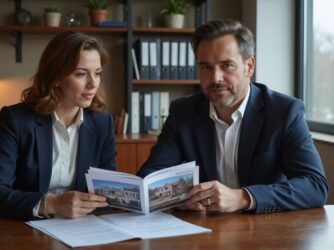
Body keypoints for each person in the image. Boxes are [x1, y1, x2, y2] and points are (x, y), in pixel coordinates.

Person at [137, 19, 329, 214]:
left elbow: (315, 186)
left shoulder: (284, 112)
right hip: (205, 233)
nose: (215, 78)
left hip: (265, 233)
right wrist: (179, 200)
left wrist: (243, 197)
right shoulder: (183, 112)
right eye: (206, 67)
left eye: (227, 66)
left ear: (249, 66)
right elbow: (149, 178)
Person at [0, 31, 116, 219]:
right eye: (81, 74)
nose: (93, 84)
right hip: (25, 229)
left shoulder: (103, 123)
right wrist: (51, 204)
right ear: (56, 78)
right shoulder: (16, 120)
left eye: (97, 73)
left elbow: (106, 192)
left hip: (83, 230)